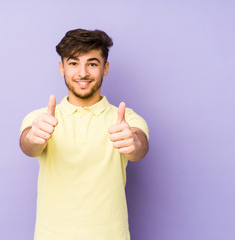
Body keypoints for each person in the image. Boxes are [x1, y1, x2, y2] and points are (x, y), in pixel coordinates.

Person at [19, 28, 149, 240]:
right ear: (61, 68)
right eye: (73, 63)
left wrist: (133, 142)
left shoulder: (125, 119)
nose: (82, 73)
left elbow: (139, 147)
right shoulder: (41, 118)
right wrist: (33, 137)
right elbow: (28, 145)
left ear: (105, 68)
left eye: (92, 63)